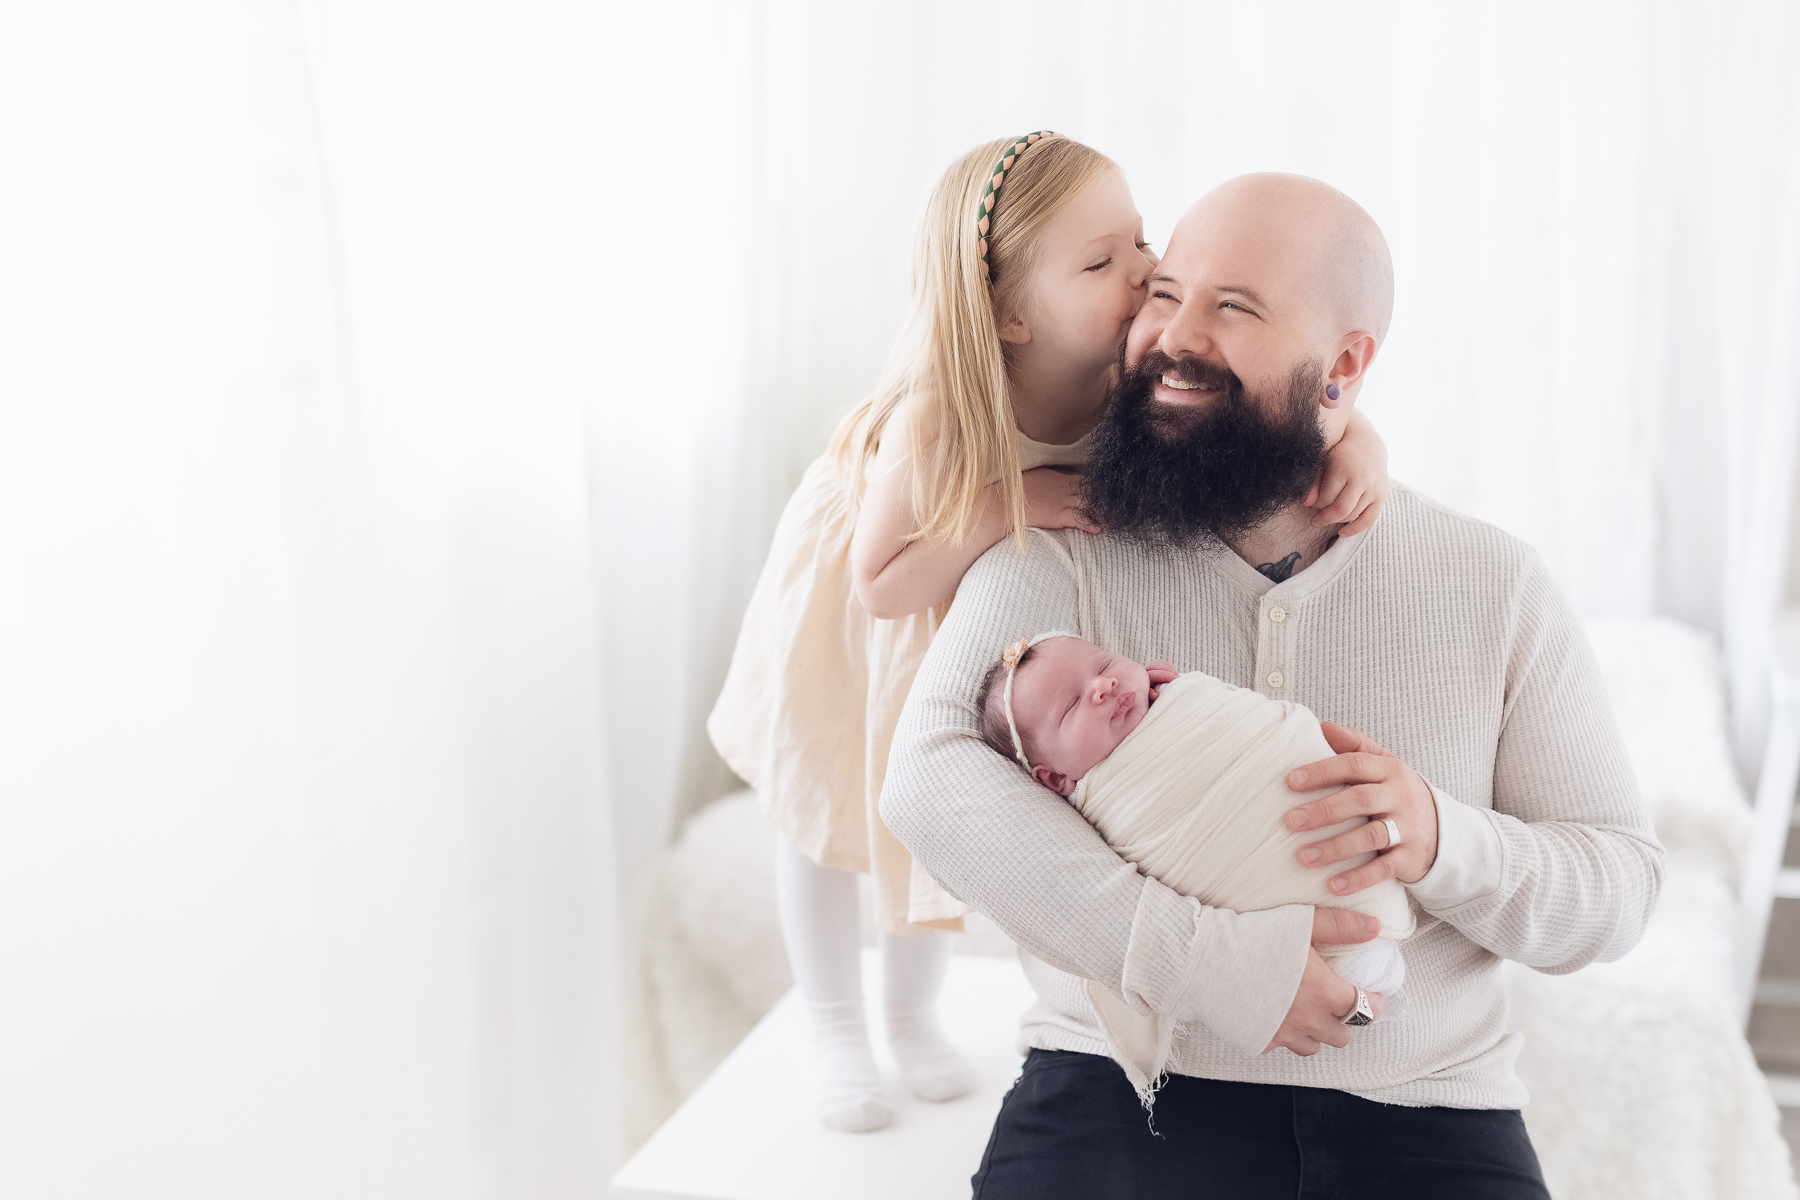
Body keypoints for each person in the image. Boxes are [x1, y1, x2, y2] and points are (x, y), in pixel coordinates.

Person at [881, 173, 1664, 1197]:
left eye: (1233, 308)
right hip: (1120, 1085)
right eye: (1163, 293)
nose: (1173, 335)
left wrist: (1439, 838)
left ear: (1343, 366)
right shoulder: (1063, 546)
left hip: (1425, 1108)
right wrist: (1206, 964)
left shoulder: (1492, 584)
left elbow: (1617, 888)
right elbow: (928, 781)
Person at [708, 136, 1394, 1133]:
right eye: (1102, 263)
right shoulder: (941, 413)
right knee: (826, 815)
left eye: (1139, 244)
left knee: (934, 831)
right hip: (877, 595)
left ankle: (910, 1014)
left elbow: (1277, 402)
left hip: (975, 609)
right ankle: (831, 1025)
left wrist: (1357, 435)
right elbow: (881, 581)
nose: (1148, 276)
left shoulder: (1131, 370)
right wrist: (1008, 503)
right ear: (1012, 316)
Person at [975, 631, 1413, 1106]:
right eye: (1070, 707)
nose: (1101, 688)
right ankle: (1352, 973)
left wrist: (1184, 698)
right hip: (1144, 1069)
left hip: (1397, 1041)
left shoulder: (1189, 702)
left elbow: (1264, 739)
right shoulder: (1087, 811)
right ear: (1056, 779)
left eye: (1104, 666)